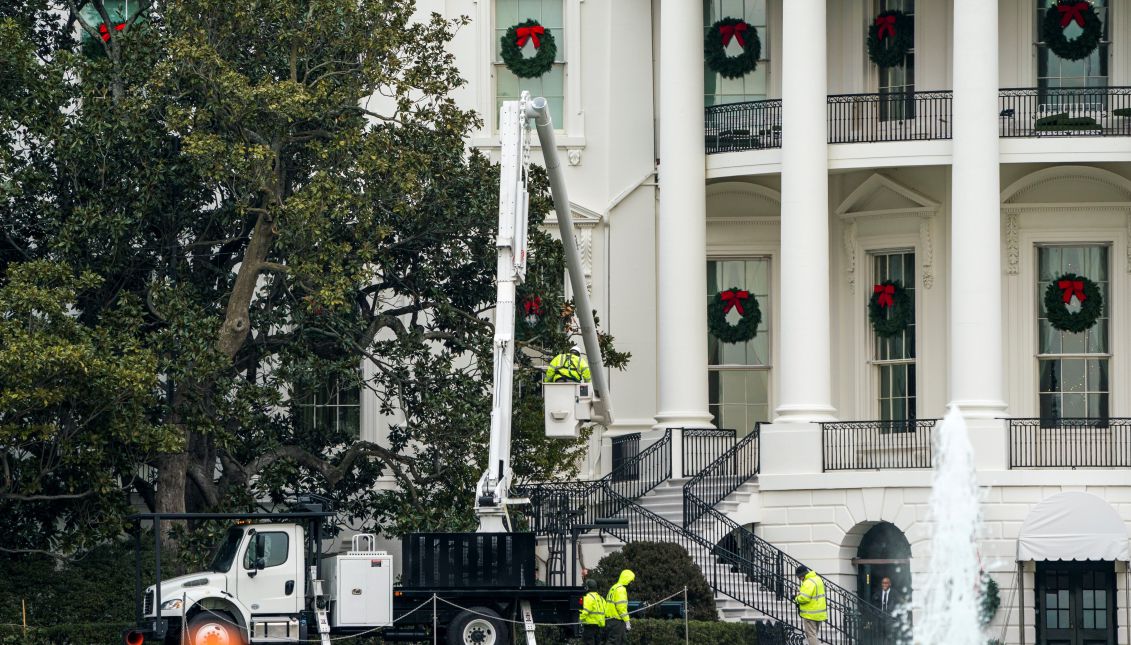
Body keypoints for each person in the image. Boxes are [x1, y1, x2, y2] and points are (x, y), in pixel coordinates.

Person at [794, 565, 828, 645]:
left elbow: (805, 598)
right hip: (819, 613)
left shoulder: (808, 582)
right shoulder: (818, 579)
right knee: (814, 634)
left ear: (802, 575)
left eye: (799, 577)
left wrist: (796, 598)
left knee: (811, 635)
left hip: (810, 614)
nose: (800, 579)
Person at [604, 569, 635, 644]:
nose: (631, 583)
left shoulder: (614, 587)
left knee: (622, 641)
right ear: (627, 579)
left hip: (610, 620)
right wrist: (627, 621)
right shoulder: (621, 589)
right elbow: (621, 607)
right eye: (630, 581)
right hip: (617, 621)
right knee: (614, 642)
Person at [578, 579, 606, 645]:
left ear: (587, 587)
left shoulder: (587, 597)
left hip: (589, 627)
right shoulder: (601, 598)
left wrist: (578, 620)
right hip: (599, 628)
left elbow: (584, 611)